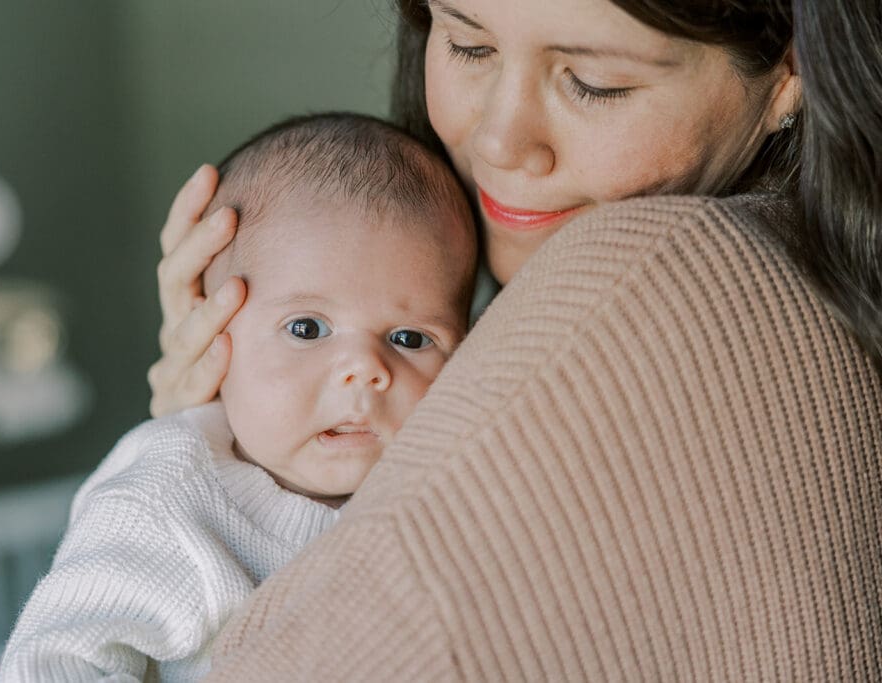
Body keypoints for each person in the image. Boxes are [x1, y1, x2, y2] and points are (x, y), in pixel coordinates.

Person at [148, 0, 882, 679]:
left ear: (792, 67)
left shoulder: (648, 280)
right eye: (468, 44)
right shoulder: (812, 279)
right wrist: (228, 452)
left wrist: (176, 477)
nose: (499, 142)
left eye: (593, 84)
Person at [0, 112, 477, 681]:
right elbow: (54, 660)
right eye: (307, 329)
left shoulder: (444, 492)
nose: (365, 370)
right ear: (212, 335)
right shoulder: (171, 498)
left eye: (410, 338)